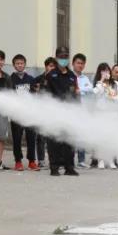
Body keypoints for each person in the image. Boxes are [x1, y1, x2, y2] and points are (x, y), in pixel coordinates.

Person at [44, 47, 79, 176]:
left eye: (66, 56)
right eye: (61, 56)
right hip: (54, 113)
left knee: (69, 141)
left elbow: (75, 95)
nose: (64, 59)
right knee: (54, 141)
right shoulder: (51, 75)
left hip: (69, 113)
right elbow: (46, 95)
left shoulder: (72, 76)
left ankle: (69, 167)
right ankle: (54, 167)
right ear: (56, 57)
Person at [9, 54, 37, 171]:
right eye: (17, 63)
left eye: (22, 63)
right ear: (14, 65)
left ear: (25, 64)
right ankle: (18, 161)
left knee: (31, 137)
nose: (20, 65)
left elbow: (35, 94)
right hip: (16, 114)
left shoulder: (30, 79)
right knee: (17, 138)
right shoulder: (10, 79)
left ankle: (32, 161)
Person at [91, 62, 118, 169]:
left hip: (112, 114)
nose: (106, 73)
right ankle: (101, 160)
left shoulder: (115, 84)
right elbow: (94, 94)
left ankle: (111, 160)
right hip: (100, 114)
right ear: (99, 72)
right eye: (103, 71)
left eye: (107, 70)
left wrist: (113, 97)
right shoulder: (97, 84)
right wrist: (101, 82)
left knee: (111, 138)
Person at [72, 53, 93, 168]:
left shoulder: (85, 78)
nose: (80, 65)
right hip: (72, 110)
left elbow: (90, 90)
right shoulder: (70, 76)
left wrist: (80, 90)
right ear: (73, 64)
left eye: (82, 63)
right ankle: (68, 160)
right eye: (78, 63)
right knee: (70, 136)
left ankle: (81, 160)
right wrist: (82, 91)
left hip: (83, 111)